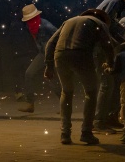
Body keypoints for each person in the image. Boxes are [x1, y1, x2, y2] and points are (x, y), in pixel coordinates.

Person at [44, 8, 114, 145]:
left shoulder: (68, 21)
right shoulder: (100, 24)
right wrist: (110, 63)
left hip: (60, 55)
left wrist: (49, 65)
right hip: (81, 55)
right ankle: (86, 132)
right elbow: (108, 45)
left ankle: (65, 133)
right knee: (91, 92)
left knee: (67, 92)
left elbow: (50, 43)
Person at [94, 0, 125, 131]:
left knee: (114, 82)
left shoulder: (114, 2)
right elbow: (105, 24)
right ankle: (99, 122)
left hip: (104, 45)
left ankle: (111, 117)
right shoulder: (114, 2)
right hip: (100, 46)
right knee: (107, 83)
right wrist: (123, 38)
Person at [17, 4, 60, 113]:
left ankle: (65, 104)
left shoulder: (45, 24)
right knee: (29, 74)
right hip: (42, 54)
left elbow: (59, 34)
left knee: (51, 79)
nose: (29, 21)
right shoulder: (30, 26)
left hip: (52, 54)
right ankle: (30, 104)